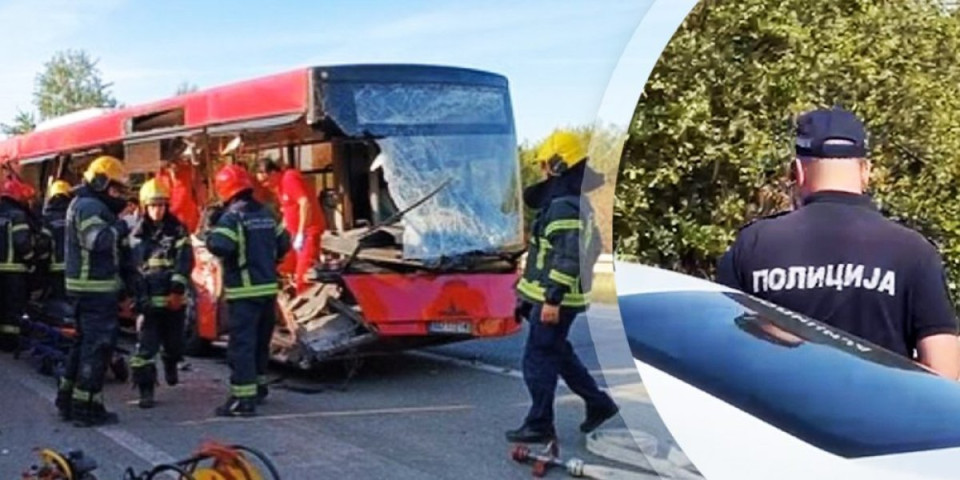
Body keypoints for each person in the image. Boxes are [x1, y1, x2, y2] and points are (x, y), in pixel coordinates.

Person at [716, 107, 960, 379]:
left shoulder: (753, 244)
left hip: (772, 417)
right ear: (865, 171)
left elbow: (720, 349)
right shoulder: (915, 252)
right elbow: (945, 373)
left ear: (798, 171)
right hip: (876, 418)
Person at [506, 131, 619, 444]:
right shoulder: (571, 203)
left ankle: (540, 424)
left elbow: (568, 257)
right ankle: (599, 403)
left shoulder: (564, 207)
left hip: (555, 300)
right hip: (549, 297)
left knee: (537, 360)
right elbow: (567, 253)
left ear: (556, 166)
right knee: (559, 354)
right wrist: (525, 293)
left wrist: (552, 299)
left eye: (544, 164)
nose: (541, 171)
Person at [202, 164, 290, 416]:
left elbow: (220, 246)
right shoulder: (266, 213)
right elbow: (283, 243)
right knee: (261, 342)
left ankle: (242, 400)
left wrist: (210, 228)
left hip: (244, 292)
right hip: (267, 290)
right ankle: (259, 388)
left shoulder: (233, 217)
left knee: (242, 345)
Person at [55, 155, 134, 427]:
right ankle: (85, 408)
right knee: (97, 349)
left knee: (82, 347)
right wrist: (125, 225)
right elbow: (97, 240)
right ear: (100, 182)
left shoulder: (86, 203)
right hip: (94, 290)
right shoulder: (89, 206)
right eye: (115, 188)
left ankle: (68, 400)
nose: (118, 195)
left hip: (88, 289)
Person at [128, 179, 193, 409]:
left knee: (175, 344)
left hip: (172, 301)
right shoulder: (136, 236)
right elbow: (133, 269)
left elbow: (184, 262)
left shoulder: (177, 230)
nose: (158, 210)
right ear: (145, 207)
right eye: (154, 205)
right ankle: (146, 391)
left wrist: (177, 291)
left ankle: (171, 361)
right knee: (144, 350)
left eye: (162, 205)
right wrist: (136, 297)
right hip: (147, 304)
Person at [255, 158, 325, 294]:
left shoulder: (289, 179)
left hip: (308, 234)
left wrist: (301, 233)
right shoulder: (280, 187)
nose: (265, 185)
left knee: (303, 276)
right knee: (284, 268)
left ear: (273, 173)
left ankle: (307, 305)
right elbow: (288, 210)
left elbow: (305, 203)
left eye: (265, 180)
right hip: (295, 235)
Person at [0, 177, 39, 352]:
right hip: (14, 270)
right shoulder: (18, 215)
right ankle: (9, 343)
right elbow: (22, 242)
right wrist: (31, 260)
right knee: (12, 310)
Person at [40, 180, 73, 301]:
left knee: (59, 303)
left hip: (55, 268)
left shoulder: (48, 218)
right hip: (76, 268)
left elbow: (44, 245)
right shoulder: (75, 215)